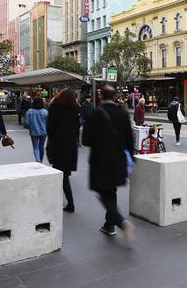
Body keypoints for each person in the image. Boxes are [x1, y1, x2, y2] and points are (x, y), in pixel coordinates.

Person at [82, 85, 135, 238]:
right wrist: (130, 159)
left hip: (100, 160)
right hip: (118, 160)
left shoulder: (94, 114)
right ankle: (109, 225)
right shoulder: (122, 113)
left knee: (102, 191)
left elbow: (85, 140)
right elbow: (129, 140)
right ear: (115, 96)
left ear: (101, 96)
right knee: (111, 191)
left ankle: (120, 221)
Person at [47, 89, 80, 213]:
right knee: (65, 175)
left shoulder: (54, 107)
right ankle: (69, 203)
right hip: (71, 146)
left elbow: (50, 129)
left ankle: (68, 203)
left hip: (58, 145)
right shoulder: (75, 108)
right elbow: (77, 127)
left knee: (61, 175)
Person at [24, 97, 48, 163]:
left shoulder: (29, 111)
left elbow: (26, 123)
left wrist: (29, 127)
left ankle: (37, 159)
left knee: (35, 147)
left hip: (33, 132)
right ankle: (41, 160)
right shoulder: (45, 112)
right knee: (41, 147)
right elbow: (48, 123)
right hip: (43, 132)